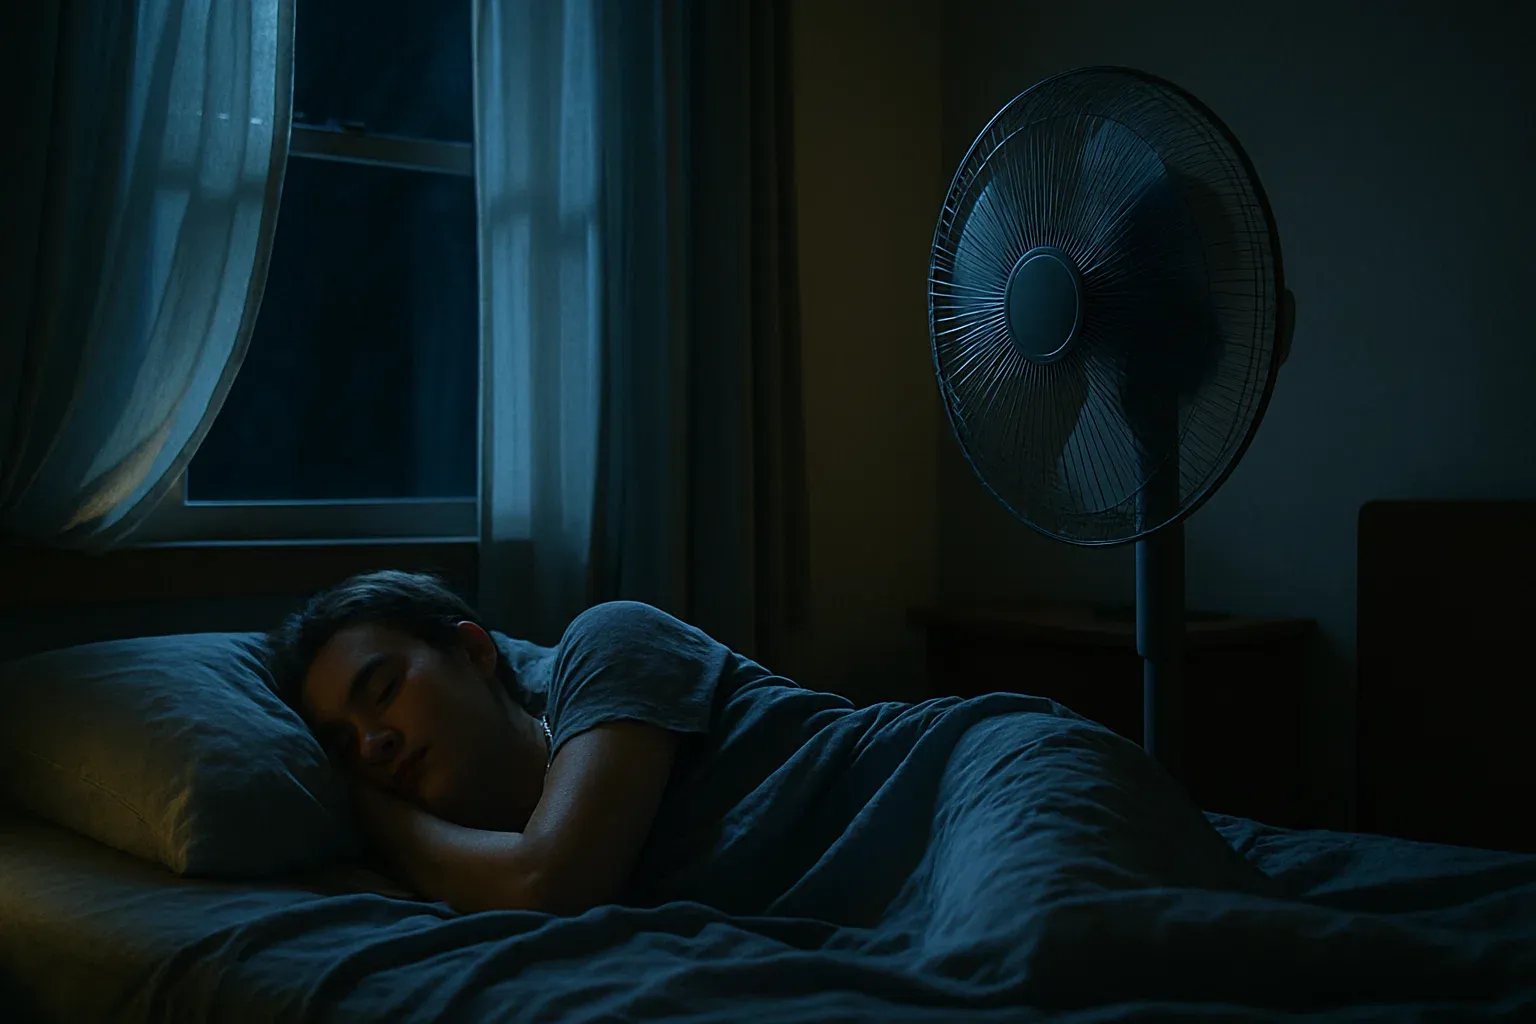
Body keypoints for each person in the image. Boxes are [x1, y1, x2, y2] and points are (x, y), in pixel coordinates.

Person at [264, 569, 850, 917]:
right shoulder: (455, 860)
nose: (372, 745)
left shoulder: (609, 640)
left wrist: (368, 808)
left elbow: (549, 882)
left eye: (385, 689)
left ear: (473, 653)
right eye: (343, 747)